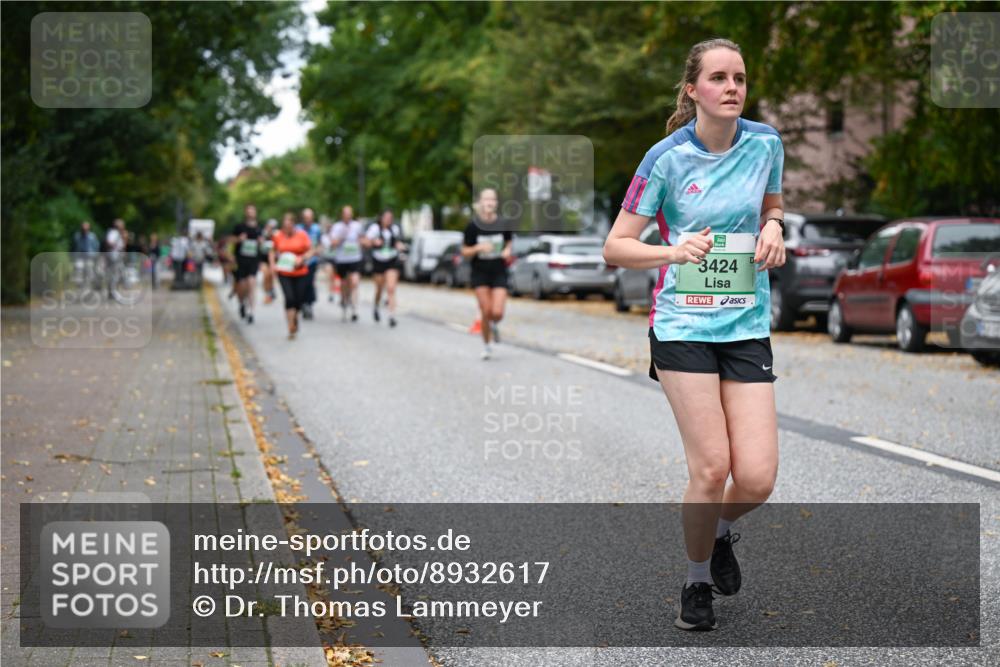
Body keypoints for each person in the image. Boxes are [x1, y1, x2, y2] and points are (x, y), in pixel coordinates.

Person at [603, 38, 786, 632]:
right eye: (718, 78)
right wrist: (672, 249)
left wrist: (776, 228)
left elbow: (773, 206)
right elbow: (616, 246)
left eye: (739, 77)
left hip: (746, 321)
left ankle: (723, 530)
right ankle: (696, 581)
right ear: (693, 89)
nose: (732, 87)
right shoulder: (665, 158)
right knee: (711, 467)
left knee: (756, 476)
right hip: (682, 322)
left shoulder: (766, 144)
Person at [461, 188, 512, 360]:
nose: (489, 202)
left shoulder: (503, 224)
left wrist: (507, 251)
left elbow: (509, 242)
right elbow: (464, 251)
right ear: (480, 203)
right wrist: (478, 248)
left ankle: (492, 325)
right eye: (486, 199)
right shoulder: (473, 226)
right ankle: (487, 345)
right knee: (486, 310)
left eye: (493, 199)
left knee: (497, 312)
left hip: (499, 271)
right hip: (480, 272)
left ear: (496, 203)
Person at [269, 212, 314, 339]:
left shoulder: (302, 235)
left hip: (300, 271)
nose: (286, 228)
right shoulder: (278, 235)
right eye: (284, 225)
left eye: (289, 225)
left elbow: (311, 250)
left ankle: (295, 318)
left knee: (298, 299)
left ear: (294, 224)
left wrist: (302, 258)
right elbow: (272, 251)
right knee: (289, 298)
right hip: (284, 271)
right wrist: (272, 264)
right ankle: (290, 326)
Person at [364, 208, 406, 327]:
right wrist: (373, 242)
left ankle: (392, 316)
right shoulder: (375, 229)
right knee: (379, 289)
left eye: (390, 218)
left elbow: (397, 242)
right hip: (378, 260)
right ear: (381, 218)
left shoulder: (395, 229)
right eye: (386, 218)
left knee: (391, 288)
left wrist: (400, 246)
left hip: (391, 260)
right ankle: (376, 306)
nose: (388, 220)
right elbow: (365, 242)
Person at [329, 205, 365, 322]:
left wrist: (362, 242)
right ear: (342, 215)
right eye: (345, 213)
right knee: (344, 284)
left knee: (354, 282)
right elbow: (333, 243)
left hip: (355, 258)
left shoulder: (357, 226)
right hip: (342, 259)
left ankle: (354, 309)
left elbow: (362, 239)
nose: (347, 216)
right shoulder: (337, 227)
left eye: (349, 214)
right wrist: (342, 237)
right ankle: (344, 303)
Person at [231, 204, 263, 324]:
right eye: (248, 211)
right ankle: (242, 303)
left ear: (255, 213)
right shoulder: (239, 227)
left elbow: (263, 245)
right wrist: (239, 239)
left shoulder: (259, 228)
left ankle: (251, 311)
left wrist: (261, 242)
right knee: (242, 285)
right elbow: (231, 240)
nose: (250, 213)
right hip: (241, 259)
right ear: (245, 213)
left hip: (254, 260)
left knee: (252, 283)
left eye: (252, 211)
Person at [299, 208, 322, 320]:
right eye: (306, 217)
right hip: (300, 261)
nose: (308, 219)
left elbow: (320, 243)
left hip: (312, 261)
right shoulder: (298, 229)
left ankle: (309, 304)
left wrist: (318, 250)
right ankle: (302, 303)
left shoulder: (316, 229)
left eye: (310, 217)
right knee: (301, 284)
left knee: (310, 282)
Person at [260, 219, 278, 304]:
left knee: (271, 276)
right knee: (265, 275)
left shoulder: (277, 235)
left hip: (273, 259)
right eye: (269, 226)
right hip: (263, 259)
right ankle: (267, 293)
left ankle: (271, 291)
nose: (270, 228)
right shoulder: (262, 234)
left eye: (272, 227)